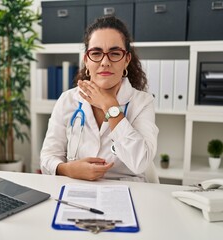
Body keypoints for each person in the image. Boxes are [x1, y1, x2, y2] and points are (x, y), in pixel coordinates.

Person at [40, 16, 159, 182]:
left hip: (128, 194)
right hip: (76, 190)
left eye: (115, 53)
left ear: (126, 60)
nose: (105, 62)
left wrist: (110, 107)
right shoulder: (67, 100)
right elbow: (47, 158)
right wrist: (68, 169)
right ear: (86, 61)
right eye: (96, 53)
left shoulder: (142, 102)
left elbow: (141, 161)